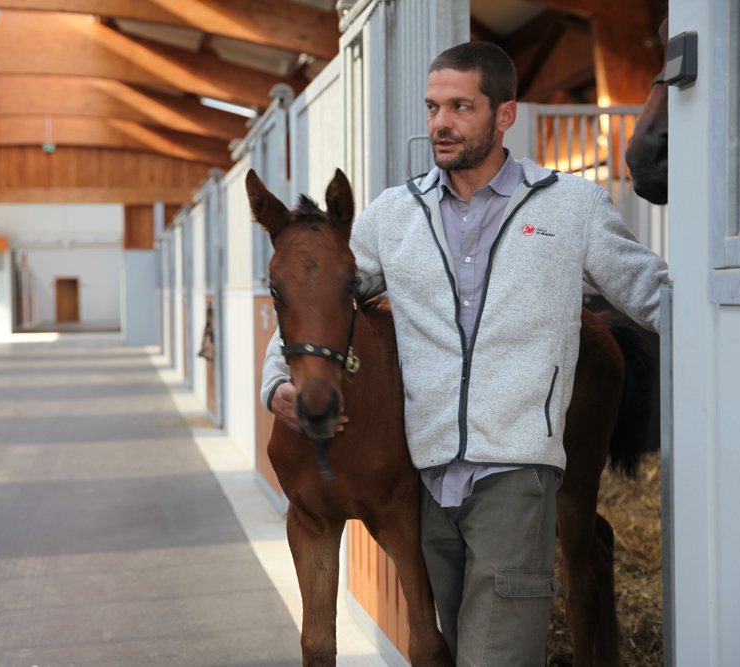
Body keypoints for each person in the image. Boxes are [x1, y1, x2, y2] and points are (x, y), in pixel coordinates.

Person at [260, 41, 669, 666]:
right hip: (427, 483)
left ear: (504, 115)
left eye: (460, 107)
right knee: (454, 645)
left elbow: (654, 295)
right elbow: (317, 298)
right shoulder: (392, 216)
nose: (441, 123)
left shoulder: (571, 207)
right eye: (432, 108)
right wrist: (276, 385)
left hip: (514, 471)